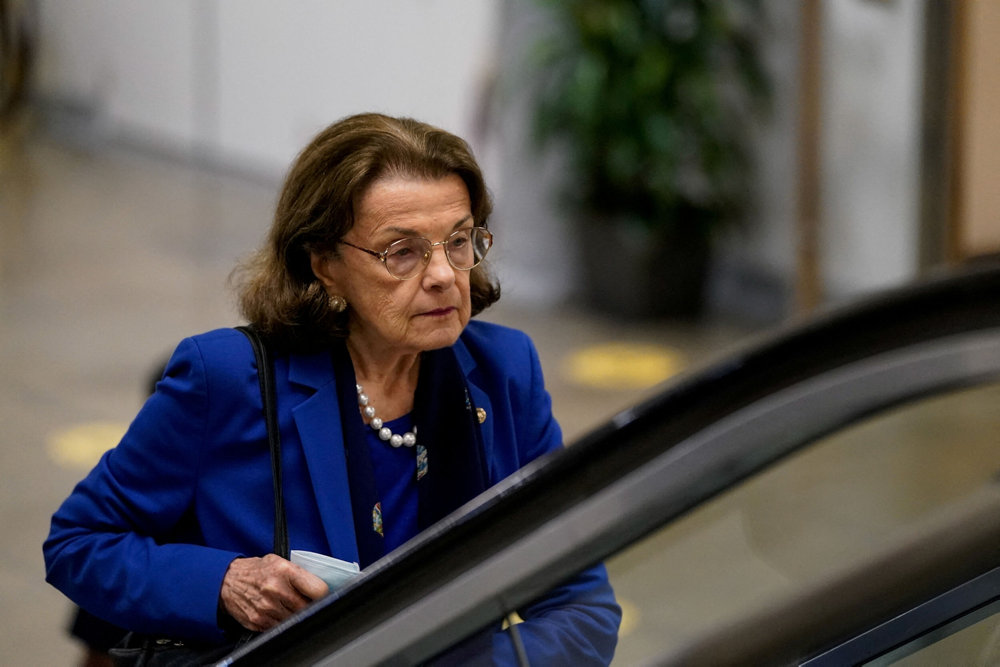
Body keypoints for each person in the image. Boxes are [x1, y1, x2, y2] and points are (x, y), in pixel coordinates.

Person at [44, 112, 621, 664]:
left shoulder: (505, 370)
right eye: (403, 251)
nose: (445, 273)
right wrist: (223, 584)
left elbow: (581, 603)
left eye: (459, 240)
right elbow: (79, 542)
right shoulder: (224, 377)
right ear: (324, 263)